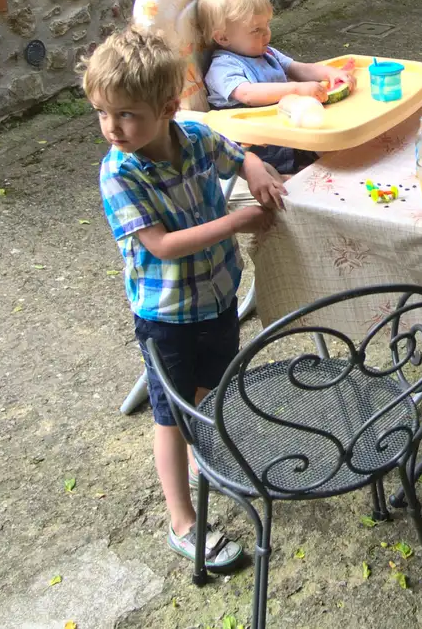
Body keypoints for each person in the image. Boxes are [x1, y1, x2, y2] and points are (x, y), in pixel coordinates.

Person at [82, 28, 285, 572]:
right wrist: (236, 220)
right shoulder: (119, 173)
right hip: (166, 317)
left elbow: (235, 153)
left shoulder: (193, 136)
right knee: (169, 414)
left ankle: (204, 461)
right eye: (102, 113)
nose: (111, 127)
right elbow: (162, 246)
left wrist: (255, 166)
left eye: (126, 115)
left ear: (168, 108)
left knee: (208, 387)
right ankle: (182, 520)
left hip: (218, 296)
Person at [196, 0, 354, 176]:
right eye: (256, 30)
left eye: (267, 25)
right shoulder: (223, 66)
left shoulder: (267, 52)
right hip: (260, 150)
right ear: (223, 38)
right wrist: (296, 89)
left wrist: (330, 73)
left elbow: (298, 68)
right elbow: (247, 94)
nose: (267, 34)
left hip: (290, 136)